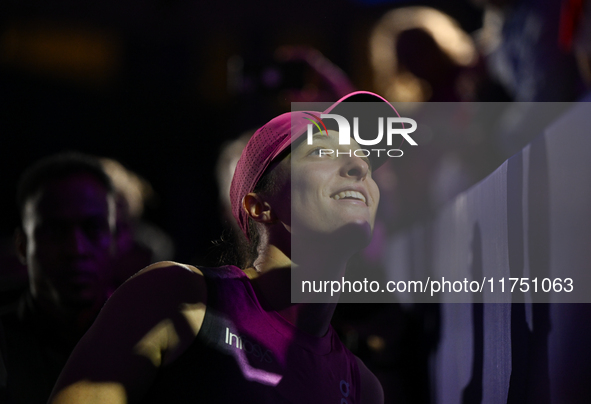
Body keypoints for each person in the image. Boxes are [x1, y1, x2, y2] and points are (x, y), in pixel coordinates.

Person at [49, 91, 394, 403]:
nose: (359, 165)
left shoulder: (364, 388)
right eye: (322, 152)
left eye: (363, 157)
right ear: (261, 206)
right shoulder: (176, 298)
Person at [2, 152, 116, 404]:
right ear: (22, 245)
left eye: (93, 228)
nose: (76, 249)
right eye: (55, 231)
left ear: (115, 239)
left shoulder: (151, 338)